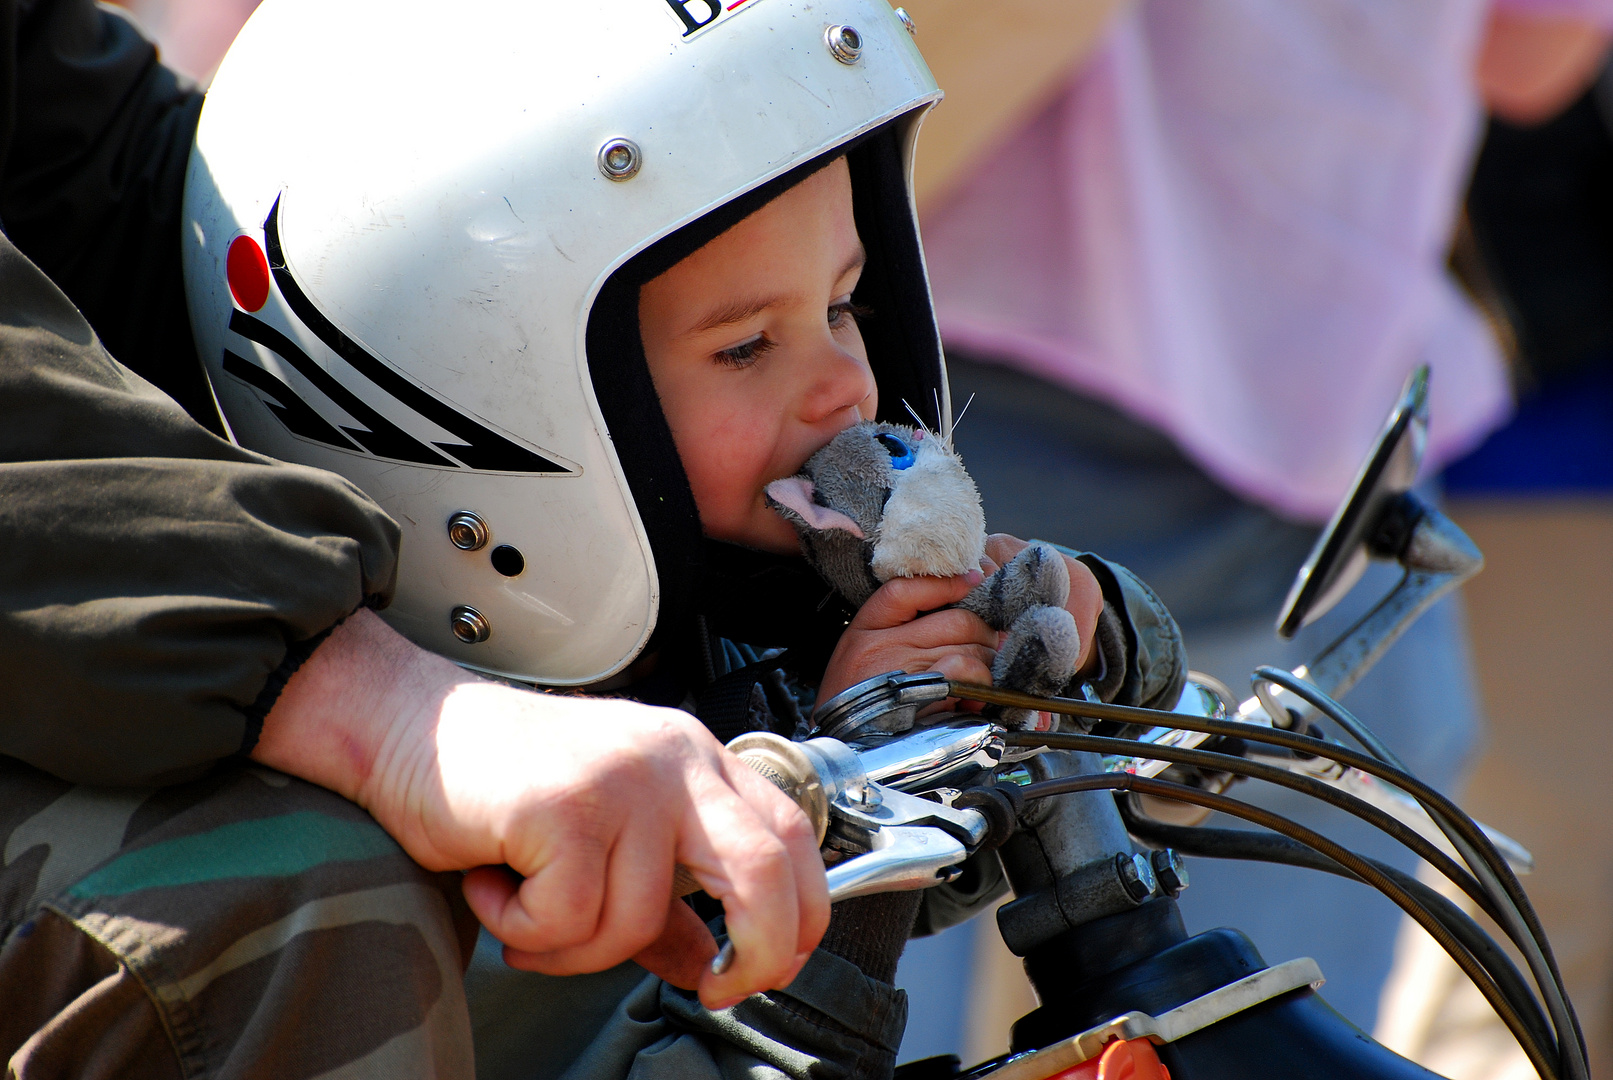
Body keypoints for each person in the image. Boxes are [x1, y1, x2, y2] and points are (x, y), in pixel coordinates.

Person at [0, 1, 1186, 1076]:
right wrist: (832, 897)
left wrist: (1082, 632)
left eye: (841, 302)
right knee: (286, 905)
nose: (844, 388)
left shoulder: (751, 595)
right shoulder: (481, 786)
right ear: (476, 389)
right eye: (741, 347)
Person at [909, 0, 1613, 1040]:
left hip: (942, 344)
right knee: (1253, 1030)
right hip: (1307, 415)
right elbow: (1531, 55)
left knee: (855, 969)